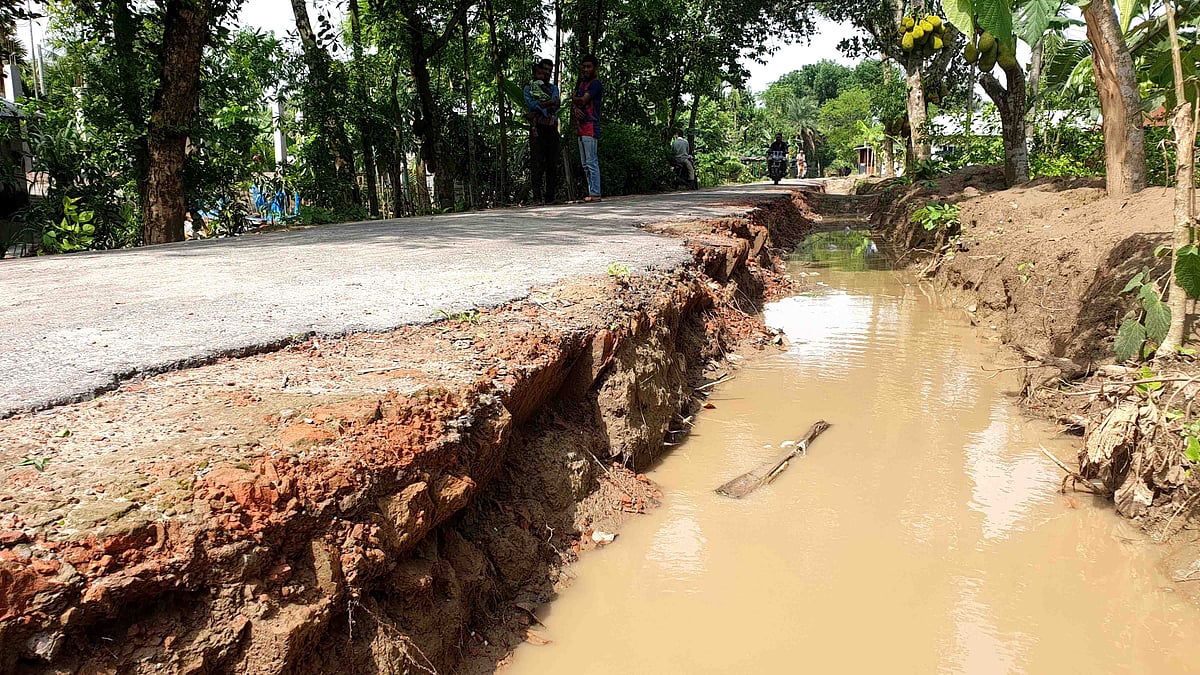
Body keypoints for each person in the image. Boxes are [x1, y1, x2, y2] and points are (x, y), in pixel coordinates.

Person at [523, 59, 561, 204]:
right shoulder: (529, 88)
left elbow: (556, 104)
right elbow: (531, 104)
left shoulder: (553, 88)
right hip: (537, 128)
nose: (546, 73)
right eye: (543, 69)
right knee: (536, 162)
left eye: (549, 70)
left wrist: (541, 108)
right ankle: (537, 197)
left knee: (552, 163)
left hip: (550, 127)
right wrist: (548, 104)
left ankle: (550, 196)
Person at [572, 54, 603, 202]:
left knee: (591, 161)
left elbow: (583, 100)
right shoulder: (581, 84)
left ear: (595, 68)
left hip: (590, 126)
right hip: (581, 127)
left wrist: (574, 99)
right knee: (585, 164)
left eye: (588, 66)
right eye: (584, 66)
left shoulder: (595, 84)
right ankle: (592, 192)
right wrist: (575, 106)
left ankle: (596, 193)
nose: (586, 69)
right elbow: (577, 101)